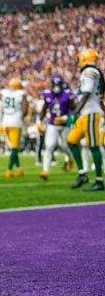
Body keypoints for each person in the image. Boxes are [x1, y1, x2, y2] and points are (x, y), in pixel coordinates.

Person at [67, 48, 105, 191]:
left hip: (90, 112)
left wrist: (75, 111)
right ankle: (82, 174)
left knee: (93, 146)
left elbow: (87, 92)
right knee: (71, 141)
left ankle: (99, 181)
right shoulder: (90, 72)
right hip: (85, 113)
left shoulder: (90, 71)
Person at [37, 75, 74, 180]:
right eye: (55, 84)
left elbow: (73, 109)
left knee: (64, 146)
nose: (56, 87)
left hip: (65, 125)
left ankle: (70, 158)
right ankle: (45, 171)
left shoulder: (67, 94)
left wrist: (66, 118)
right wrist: (40, 121)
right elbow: (44, 108)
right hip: (52, 124)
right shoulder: (47, 95)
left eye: (58, 84)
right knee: (49, 146)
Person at [0, 78, 28, 179]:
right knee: (14, 148)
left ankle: (19, 169)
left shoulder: (4, 94)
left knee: (12, 147)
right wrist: (22, 116)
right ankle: (9, 170)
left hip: (5, 122)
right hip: (16, 122)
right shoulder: (21, 94)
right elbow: (25, 109)